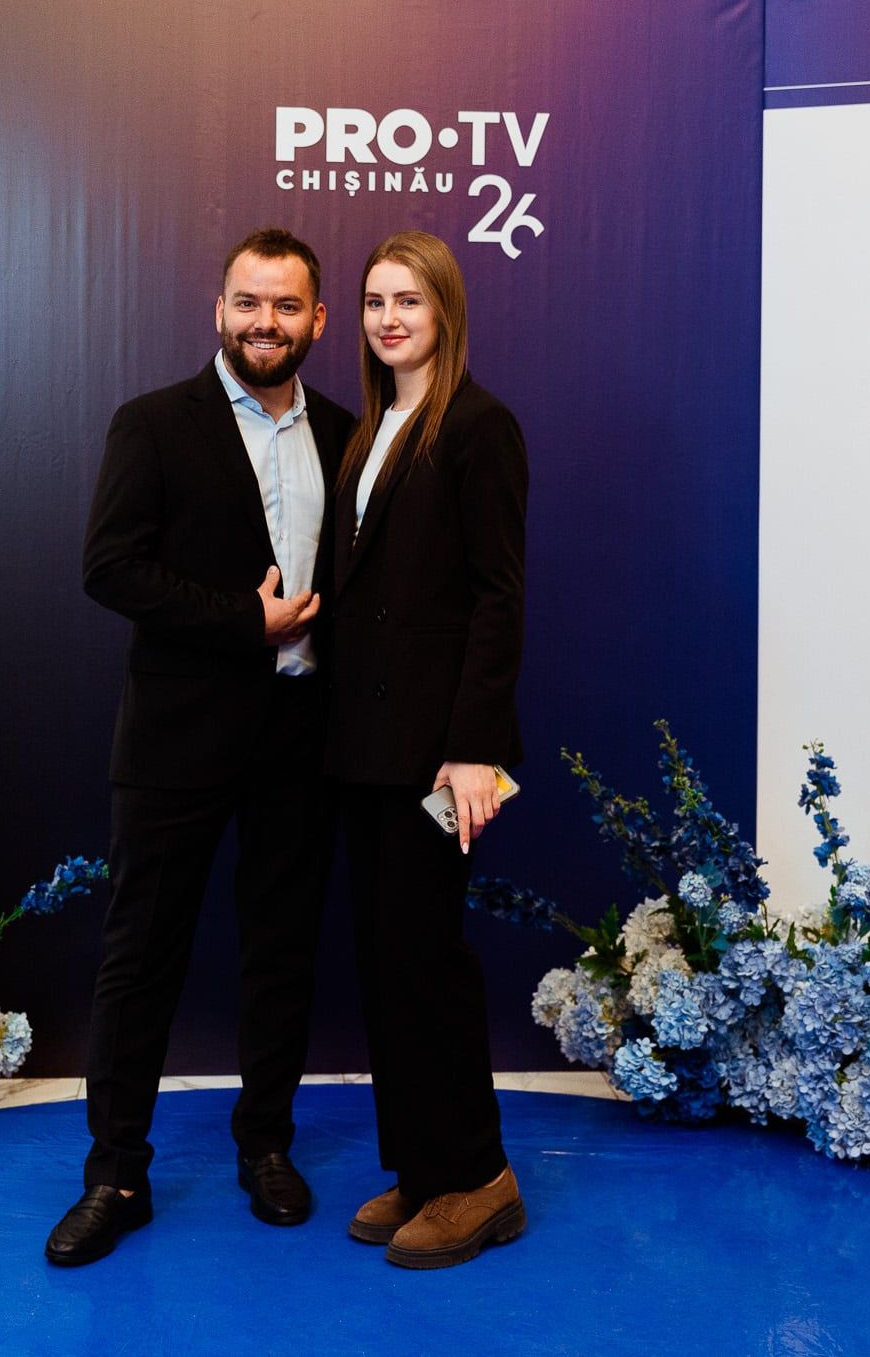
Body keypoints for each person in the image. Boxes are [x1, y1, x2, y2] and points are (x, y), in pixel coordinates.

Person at [47, 228, 355, 1266]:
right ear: (218, 309)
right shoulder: (151, 423)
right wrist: (240, 620)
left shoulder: (348, 435)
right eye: (248, 303)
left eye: (286, 306)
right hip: (177, 737)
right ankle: (115, 1175)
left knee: (282, 952)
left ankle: (265, 1145)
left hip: (301, 738)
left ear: (317, 320)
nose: (265, 323)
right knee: (140, 957)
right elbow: (109, 567)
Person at [325, 230, 528, 1269]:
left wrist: (472, 750)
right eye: (374, 301)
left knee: (429, 962)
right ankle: (419, 1165)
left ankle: (479, 1179)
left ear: (444, 310)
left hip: (441, 757)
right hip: (365, 749)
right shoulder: (371, 429)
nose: (389, 318)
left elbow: (497, 599)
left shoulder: (480, 426)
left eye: (408, 299)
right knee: (387, 962)